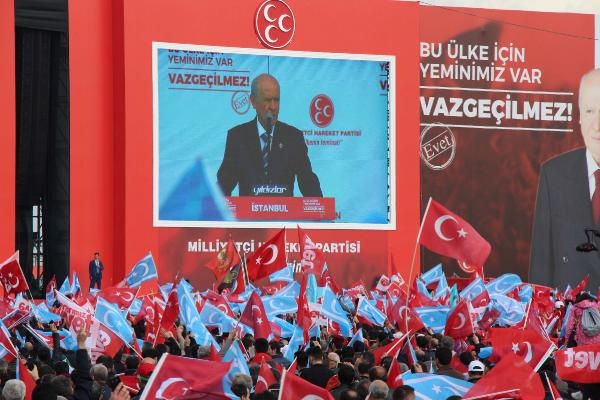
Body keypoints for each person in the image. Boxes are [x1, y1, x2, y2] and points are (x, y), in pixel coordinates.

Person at [530, 68, 600, 290]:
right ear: (579, 117)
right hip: (568, 312)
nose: (597, 125)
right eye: (590, 111)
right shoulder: (554, 175)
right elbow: (541, 270)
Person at [217, 74, 322, 197]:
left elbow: (308, 183)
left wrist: (321, 205)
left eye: (276, 100)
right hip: (249, 209)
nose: (273, 107)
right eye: (267, 100)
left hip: (284, 209)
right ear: (253, 101)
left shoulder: (293, 137)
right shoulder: (238, 137)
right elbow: (224, 185)